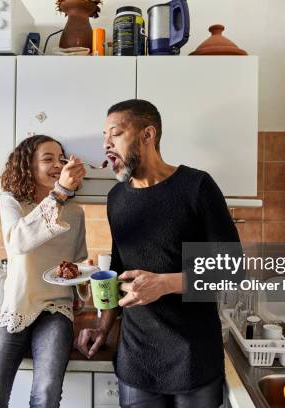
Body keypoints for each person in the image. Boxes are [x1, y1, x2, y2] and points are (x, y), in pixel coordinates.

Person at [75, 99, 241, 407]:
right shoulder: (116, 198)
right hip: (137, 358)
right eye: (104, 137)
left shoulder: (197, 186)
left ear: (147, 135)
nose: (106, 144)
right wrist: (103, 325)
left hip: (193, 356)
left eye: (116, 134)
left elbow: (231, 268)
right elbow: (119, 267)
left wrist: (164, 283)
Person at [0, 135, 87, 408]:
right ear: (27, 165)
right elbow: (18, 242)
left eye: (61, 159)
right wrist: (60, 192)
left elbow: (79, 262)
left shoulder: (75, 212)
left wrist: (83, 286)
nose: (57, 165)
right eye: (47, 159)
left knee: (46, 395)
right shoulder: (11, 201)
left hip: (57, 308)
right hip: (17, 306)